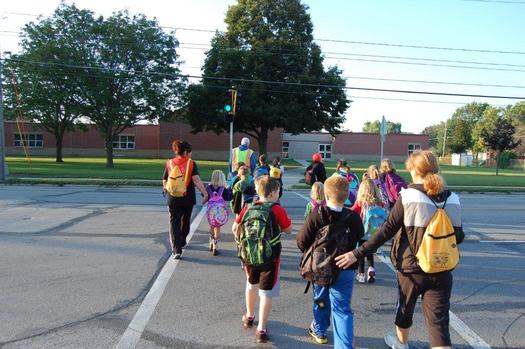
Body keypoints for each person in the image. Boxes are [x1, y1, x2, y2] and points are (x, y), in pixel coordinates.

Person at [335, 151, 464, 349]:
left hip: (411, 268)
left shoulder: (409, 197)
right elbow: (458, 236)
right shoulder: (453, 198)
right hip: (442, 267)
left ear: (414, 170)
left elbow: (385, 231)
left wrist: (357, 253)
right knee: (439, 326)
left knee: (405, 311)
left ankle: (401, 343)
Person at [297, 175, 364, 348]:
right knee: (342, 310)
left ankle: (319, 329)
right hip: (345, 266)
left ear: (326, 195)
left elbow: (301, 241)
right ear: (348, 195)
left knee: (320, 300)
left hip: (321, 267)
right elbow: (360, 238)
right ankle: (344, 345)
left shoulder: (317, 215)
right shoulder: (353, 217)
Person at [232, 176, 293, 344]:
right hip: (270, 258)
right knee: (266, 292)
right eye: (278, 191)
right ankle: (261, 329)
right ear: (273, 193)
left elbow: (235, 227)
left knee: (251, 285)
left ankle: (249, 316)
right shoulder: (277, 209)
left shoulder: (248, 207)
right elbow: (288, 229)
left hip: (249, 255)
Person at [163, 140, 209, 259]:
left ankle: (176, 249)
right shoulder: (191, 163)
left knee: (174, 222)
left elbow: (165, 179)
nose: (191, 154)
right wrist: (204, 193)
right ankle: (182, 239)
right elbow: (196, 180)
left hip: (173, 198)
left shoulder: (170, 163)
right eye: (190, 152)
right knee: (186, 220)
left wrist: (166, 189)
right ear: (185, 152)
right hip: (187, 198)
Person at [351, 178, 387, 284]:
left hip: (363, 232)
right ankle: (371, 268)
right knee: (370, 251)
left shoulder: (361, 202)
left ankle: (361, 274)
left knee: (362, 252)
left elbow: (352, 211)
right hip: (375, 233)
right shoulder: (380, 203)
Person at [206, 170, 232, 256]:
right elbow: (228, 198)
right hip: (220, 212)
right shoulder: (223, 189)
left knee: (212, 225)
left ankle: (211, 241)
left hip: (211, 212)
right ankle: (215, 247)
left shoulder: (208, 188)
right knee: (217, 227)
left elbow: (205, 196)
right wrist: (229, 190)